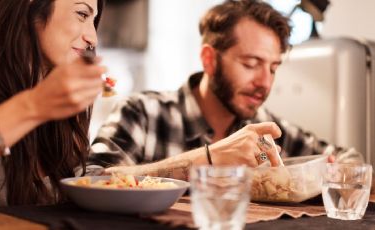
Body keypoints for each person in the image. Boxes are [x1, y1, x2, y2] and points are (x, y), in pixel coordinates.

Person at [90, 0, 362, 180]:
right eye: (251, 63)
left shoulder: (265, 130)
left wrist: (323, 173)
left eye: (273, 68)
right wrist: (206, 159)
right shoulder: (142, 113)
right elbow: (92, 180)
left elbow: (350, 160)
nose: (265, 82)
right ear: (209, 59)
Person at [0, 0, 106, 208]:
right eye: (82, 14)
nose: (92, 38)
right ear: (30, 9)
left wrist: (160, 177)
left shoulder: (66, 110)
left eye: (93, 20)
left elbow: (83, 184)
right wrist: (32, 106)